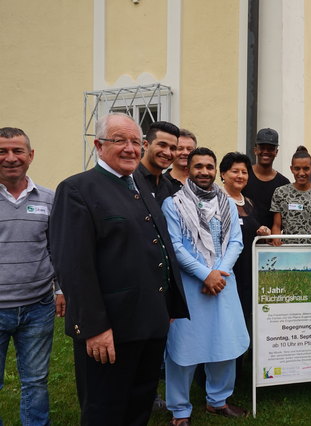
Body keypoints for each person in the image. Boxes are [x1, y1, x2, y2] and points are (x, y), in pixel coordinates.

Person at [49, 113, 189, 425]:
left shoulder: (139, 187)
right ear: (99, 145)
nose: (130, 148)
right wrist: (94, 328)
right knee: (105, 410)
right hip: (110, 329)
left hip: (150, 322)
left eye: (135, 142)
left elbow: (158, 248)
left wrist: (165, 305)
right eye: (119, 141)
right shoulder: (78, 190)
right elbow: (73, 267)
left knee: (138, 406)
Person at [162, 147, 249, 425]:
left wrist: (219, 273)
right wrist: (205, 274)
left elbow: (236, 240)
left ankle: (218, 401)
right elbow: (174, 246)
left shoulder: (226, 202)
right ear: (188, 169)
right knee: (184, 349)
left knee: (225, 344)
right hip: (190, 287)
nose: (204, 172)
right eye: (198, 166)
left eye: (209, 167)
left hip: (222, 284)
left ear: (215, 171)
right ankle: (179, 410)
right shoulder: (173, 204)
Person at [0, 127, 64, 425]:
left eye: (17, 151)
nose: (10, 158)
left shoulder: (50, 199)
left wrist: (60, 290)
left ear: (31, 155)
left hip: (39, 307)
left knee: (35, 382)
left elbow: (57, 249)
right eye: (2, 151)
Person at [219, 152, 270, 329]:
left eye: (244, 172)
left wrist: (263, 231)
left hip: (249, 270)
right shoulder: (217, 201)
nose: (240, 176)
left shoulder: (249, 203)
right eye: (235, 171)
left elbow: (253, 231)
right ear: (223, 174)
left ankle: (243, 356)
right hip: (227, 271)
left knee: (245, 317)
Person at [271, 146, 311, 245]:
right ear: (291, 169)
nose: (301, 173)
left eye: (306, 169)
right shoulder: (280, 193)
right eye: (297, 169)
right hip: (288, 251)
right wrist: (276, 243)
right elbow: (277, 226)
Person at [242, 128, 290, 228]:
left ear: (276, 152)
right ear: (255, 149)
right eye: (262, 147)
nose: (265, 151)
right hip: (244, 238)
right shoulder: (243, 175)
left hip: (272, 241)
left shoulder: (284, 183)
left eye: (270, 148)